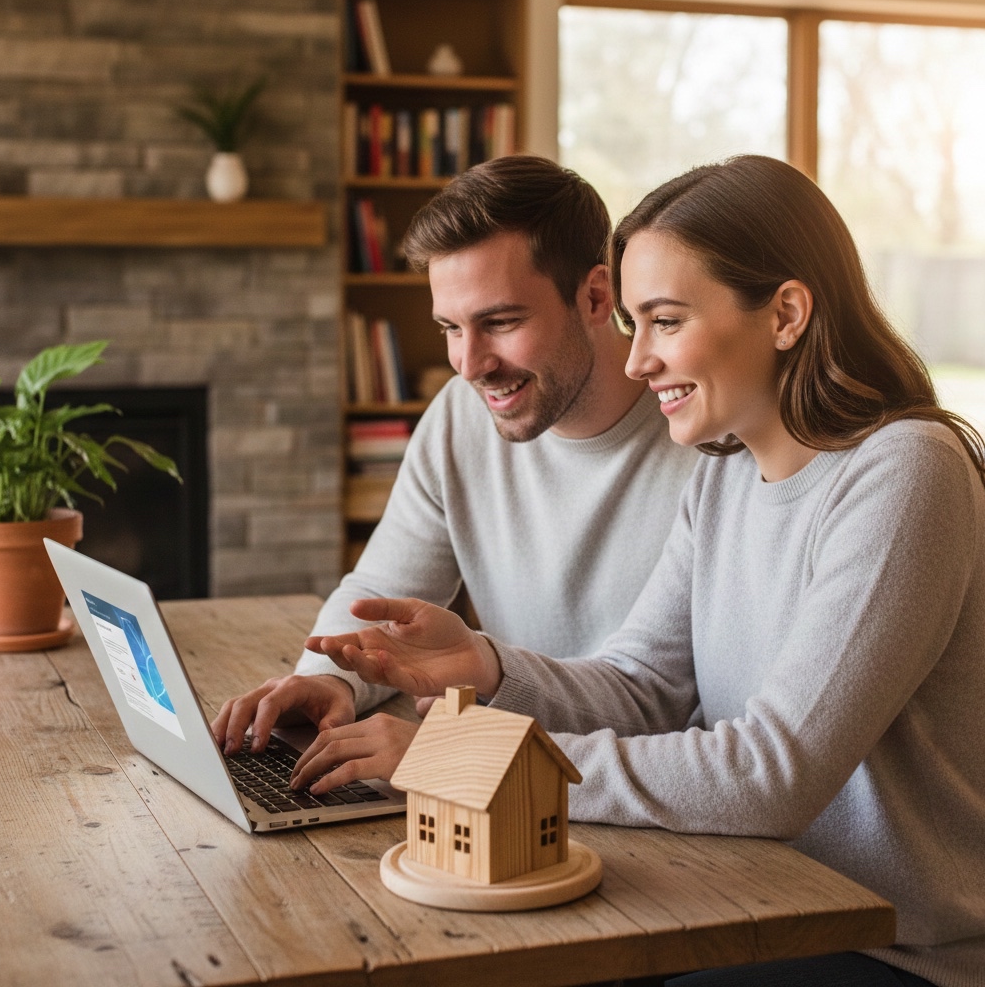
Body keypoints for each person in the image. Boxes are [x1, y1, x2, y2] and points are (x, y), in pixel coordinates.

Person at [305, 156, 985, 987]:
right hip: (757, 903)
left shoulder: (903, 473)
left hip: (902, 949)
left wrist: (452, 758)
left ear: (786, 313)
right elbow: (643, 684)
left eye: (666, 321)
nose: (638, 361)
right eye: (636, 324)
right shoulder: (724, 471)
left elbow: (771, 774)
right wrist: (487, 666)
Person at [210, 154, 699, 782]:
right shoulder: (460, 417)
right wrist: (330, 680)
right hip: (500, 778)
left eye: (500, 322)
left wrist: (457, 747)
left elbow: (657, 703)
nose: (469, 364)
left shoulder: (701, 441)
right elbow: (379, 591)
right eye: (450, 328)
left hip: (633, 799)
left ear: (597, 297)